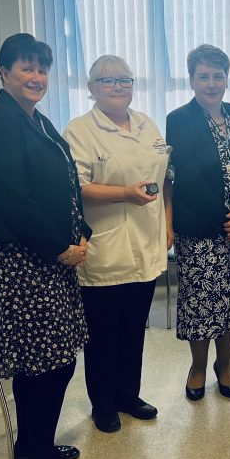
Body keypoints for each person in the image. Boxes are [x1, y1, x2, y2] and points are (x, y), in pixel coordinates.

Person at [0, 33, 95, 459]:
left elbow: (65, 187)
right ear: (3, 72)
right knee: (51, 365)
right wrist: (60, 247)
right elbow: (11, 198)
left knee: (43, 363)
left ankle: (30, 445)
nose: (36, 76)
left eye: (41, 68)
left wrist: (79, 231)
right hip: (23, 262)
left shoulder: (36, 121)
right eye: (25, 67)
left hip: (48, 258)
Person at [63, 55, 169, 434]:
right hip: (106, 248)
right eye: (107, 81)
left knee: (133, 329)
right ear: (91, 88)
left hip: (145, 242)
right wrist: (124, 192)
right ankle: (103, 403)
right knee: (104, 333)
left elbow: (162, 172)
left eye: (124, 80)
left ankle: (128, 394)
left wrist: (166, 222)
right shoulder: (79, 130)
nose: (117, 87)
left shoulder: (146, 124)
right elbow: (74, 187)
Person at [165, 45, 230, 401]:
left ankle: (225, 365)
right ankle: (198, 367)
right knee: (202, 305)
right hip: (200, 232)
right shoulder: (178, 120)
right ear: (191, 80)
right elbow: (176, 180)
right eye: (203, 76)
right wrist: (221, 221)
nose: (211, 83)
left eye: (218, 75)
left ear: (227, 79)